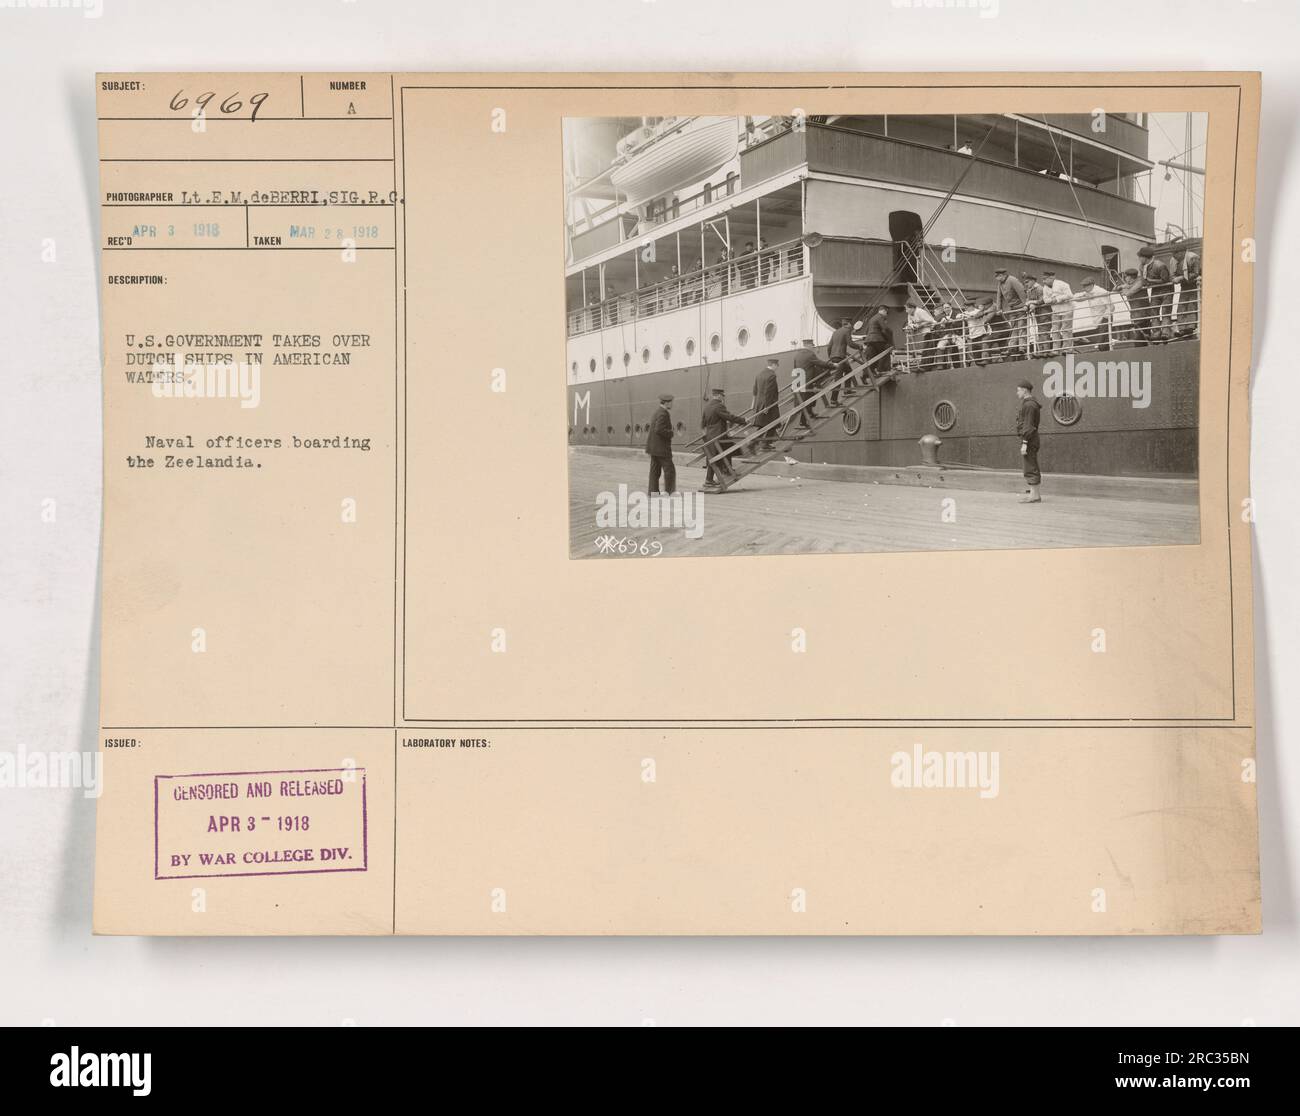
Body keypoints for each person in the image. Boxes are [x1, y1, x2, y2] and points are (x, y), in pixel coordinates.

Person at [700, 386, 749, 490]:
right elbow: (729, 417)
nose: (723, 397)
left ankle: (726, 470)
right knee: (719, 455)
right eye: (722, 396)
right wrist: (743, 420)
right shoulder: (719, 406)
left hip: (710, 436)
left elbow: (703, 424)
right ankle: (710, 479)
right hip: (719, 436)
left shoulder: (707, 406)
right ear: (718, 395)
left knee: (720, 453)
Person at [789, 339, 834, 431]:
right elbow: (820, 363)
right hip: (807, 382)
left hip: (799, 382)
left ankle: (809, 413)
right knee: (807, 400)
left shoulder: (797, 355)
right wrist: (832, 365)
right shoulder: (810, 354)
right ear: (809, 345)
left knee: (808, 398)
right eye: (812, 346)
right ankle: (803, 422)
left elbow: (795, 369)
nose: (813, 348)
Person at [1014, 379, 1042, 503]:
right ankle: (1033, 493)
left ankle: (1035, 496)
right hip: (1031, 439)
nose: (1017, 393)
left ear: (1025, 390)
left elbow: (1028, 426)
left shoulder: (1029, 405)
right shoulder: (1030, 404)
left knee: (1030, 466)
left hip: (1029, 440)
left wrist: (1025, 443)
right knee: (1031, 465)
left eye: (1018, 390)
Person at [992, 267, 1027, 360]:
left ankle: (1022, 348)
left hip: (1020, 308)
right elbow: (999, 296)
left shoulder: (1013, 280)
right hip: (1012, 309)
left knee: (1021, 327)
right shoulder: (1000, 283)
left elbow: (1022, 293)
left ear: (1002, 275)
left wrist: (1025, 305)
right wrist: (999, 309)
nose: (998, 280)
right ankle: (1011, 348)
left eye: (998, 277)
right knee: (1014, 328)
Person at [645, 393, 676, 495]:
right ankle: (669, 492)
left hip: (653, 447)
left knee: (655, 471)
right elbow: (659, 429)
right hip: (661, 448)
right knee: (670, 470)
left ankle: (652, 492)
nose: (672, 404)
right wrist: (670, 433)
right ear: (666, 403)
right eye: (671, 402)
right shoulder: (663, 413)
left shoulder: (657, 412)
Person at [826, 317, 862, 404]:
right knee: (838, 378)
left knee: (849, 371)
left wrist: (831, 358)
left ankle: (847, 390)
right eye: (851, 324)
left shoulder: (835, 332)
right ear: (849, 324)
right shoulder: (847, 330)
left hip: (834, 357)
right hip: (840, 358)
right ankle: (833, 399)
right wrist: (860, 346)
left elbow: (829, 347)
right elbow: (850, 344)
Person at [1040, 270, 1074, 354]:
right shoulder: (1045, 288)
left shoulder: (1062, 284)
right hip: (1055, 311)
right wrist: (1052, 300)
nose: (1044, 281)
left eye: (1045, 279)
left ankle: (1067, 349)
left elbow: (1070, 295)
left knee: (1066, 330)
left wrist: (1057, 299)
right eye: (1043, 279)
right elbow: (1045, 300)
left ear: (1052, 278)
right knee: (1055, 331)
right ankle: (1056, 350)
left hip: (1067, 310)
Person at [751, 358, 781, 453]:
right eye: (777, 365)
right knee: (773, 423)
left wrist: (753, 404)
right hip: (769, 405)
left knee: (762, 426)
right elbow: (769, 392)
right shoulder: (772, 375)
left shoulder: (759, 374)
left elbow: (755, 390)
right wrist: (767, 406)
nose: (777, 367)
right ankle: (765, 444)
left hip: (759, 404)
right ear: (773, 365)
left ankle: (752, 443)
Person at [1142, 253, 1174, 340]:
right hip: (1155, 291)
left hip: (1166, 290)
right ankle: (1156, 333)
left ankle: (1165, 333)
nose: (1140, 259)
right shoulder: (1144, 267)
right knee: (1153, 311)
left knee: (1165, 310)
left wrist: (1150, 280)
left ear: (1145, 257)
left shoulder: (1160, 265)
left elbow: (1165, 279)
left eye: (1140, 257)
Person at [857, 307, 893, 382]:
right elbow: (885, 328)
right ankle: (882, 370)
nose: (886, 315)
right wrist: (890, 336)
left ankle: (865, 375)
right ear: (883, 311)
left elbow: (867, 330)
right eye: (886, 313)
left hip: (870, 340)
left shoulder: (872, 318)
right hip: (877, 339)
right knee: (885, 352)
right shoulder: (880, 317)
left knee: (871, 358)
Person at [904, 300, 937, 370]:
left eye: (907, 309)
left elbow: (930, 320)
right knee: (925, 350)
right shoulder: (909, 314)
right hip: (924, 333)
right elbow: (910, 323)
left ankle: (926, 367)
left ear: (912, 308)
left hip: (931, 331)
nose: (906, 311)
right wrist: (911, 326)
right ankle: (923, 366)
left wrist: (919, 325)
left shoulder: (920, 312)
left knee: (929, 350)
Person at [1022, 273, 1046, 355]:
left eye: (1027, 282)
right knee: (1038, 331)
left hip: (1043, 313)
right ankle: (1040, 351)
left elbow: (1042, 300)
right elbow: (1028, 299)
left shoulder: (1039, 288)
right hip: (1036, 314)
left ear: (1033, 281)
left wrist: (1032, 303)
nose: (1026, 284)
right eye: (1025, 282)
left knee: (1043, 331)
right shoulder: (1029, 290)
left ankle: (1044, 351)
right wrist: (1026, 305)